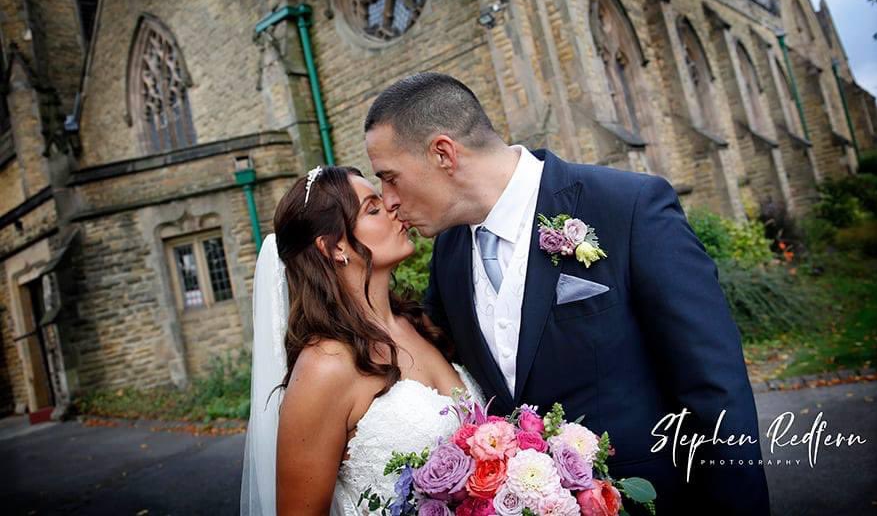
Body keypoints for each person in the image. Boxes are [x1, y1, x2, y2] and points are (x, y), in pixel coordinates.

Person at [363, 72, 771, 514]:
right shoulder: (449, 252)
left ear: (443, 152)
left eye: (390, 178)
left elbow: (714, 390)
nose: (388, 200)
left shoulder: (627, 208)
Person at [240, 165, 483, 516]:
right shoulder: (326, 366)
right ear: (333, 247)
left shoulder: (421, 324)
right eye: (372, 209)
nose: (392, 208)